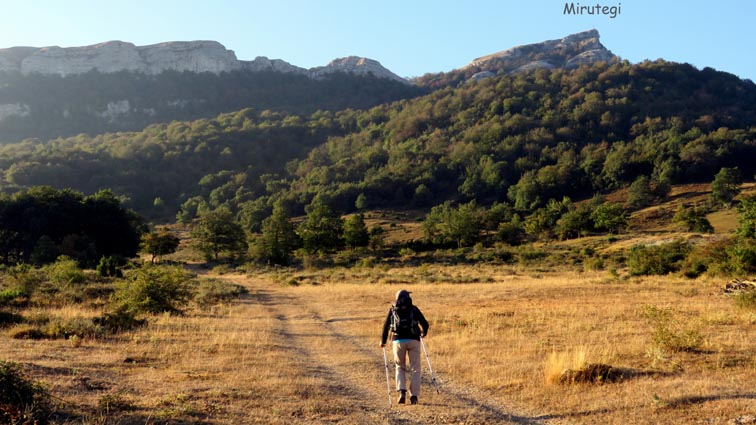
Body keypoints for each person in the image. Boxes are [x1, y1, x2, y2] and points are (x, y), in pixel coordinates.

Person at [380, 289, 429, 405]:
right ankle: (414, 396)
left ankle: (401, 391)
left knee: (399, 367)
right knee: (415, 369)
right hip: (414, 340)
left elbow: (386, 326)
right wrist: (423, 332)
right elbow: (425, 323)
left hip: (398, 341)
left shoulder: (393, 309)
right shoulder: (414, 309)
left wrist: (383, 341)